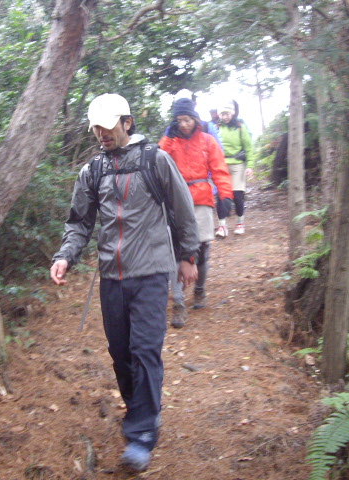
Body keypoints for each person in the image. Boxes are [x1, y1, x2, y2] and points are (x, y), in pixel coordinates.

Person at [50, 93, 200, 472]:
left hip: (151, 272)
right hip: (111, 277)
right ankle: (141, 410)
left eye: (108, 126)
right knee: (121, 354)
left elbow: (183, 208)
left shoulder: (155, 160)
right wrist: (65, 256)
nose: (102, 133)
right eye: (96, 128)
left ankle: (142, 434)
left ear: (127, 123)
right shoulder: (93, 171)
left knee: (145, 350)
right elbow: (79, 222)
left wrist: (188, 256)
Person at [158, 98, 233, 328]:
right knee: (175, 250)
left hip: (201, 197)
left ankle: (199, 290)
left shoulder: (207, 140)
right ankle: (178, 302)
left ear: (195, 118)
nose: (183, 124)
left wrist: (225, 196)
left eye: (187, 119)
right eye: (179, 120)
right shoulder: (171, 141)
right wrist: (169, 138)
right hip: (175, 199)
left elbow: (219, 169)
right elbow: (157, 162)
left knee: (201, 248)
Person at [215, 100, 254, 237]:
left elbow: (248, 147)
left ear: (232, 113)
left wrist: (250, 166)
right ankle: (222, 226)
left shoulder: (240, 126)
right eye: (222, 114)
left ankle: (240, 223)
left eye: (227, 114)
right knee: (221, 196)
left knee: (237, 195)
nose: (225, 117)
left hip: (238, 164)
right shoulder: (217, 127)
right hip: (222, 165)